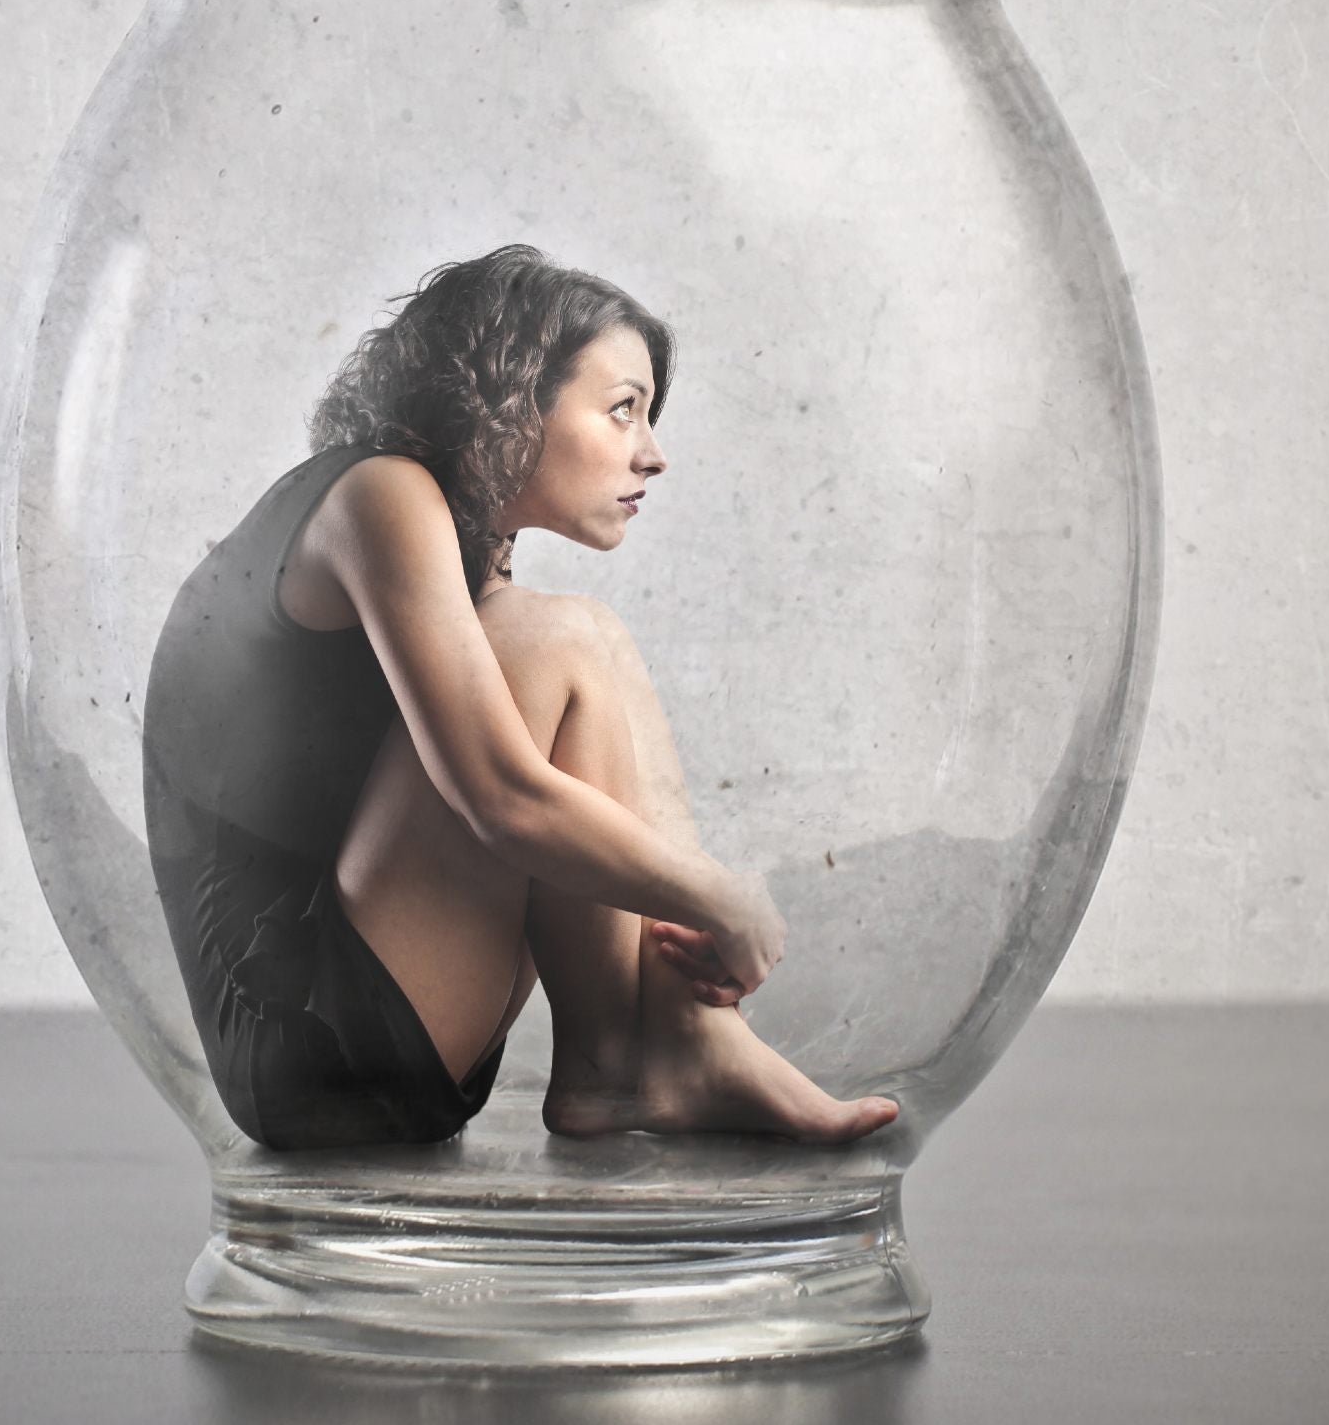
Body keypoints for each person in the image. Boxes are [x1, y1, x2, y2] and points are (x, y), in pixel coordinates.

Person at [142, 243, 899, 1152]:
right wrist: (721, 898)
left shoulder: (461, 549)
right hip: (308, 1042)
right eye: (623, 411)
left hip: (366, 1031)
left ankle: (644, 1057)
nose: (651, 455)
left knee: (583, 642)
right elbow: (499, 798)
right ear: (510, 398)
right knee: (568, 638)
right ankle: (654, 1055)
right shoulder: (379, 494)